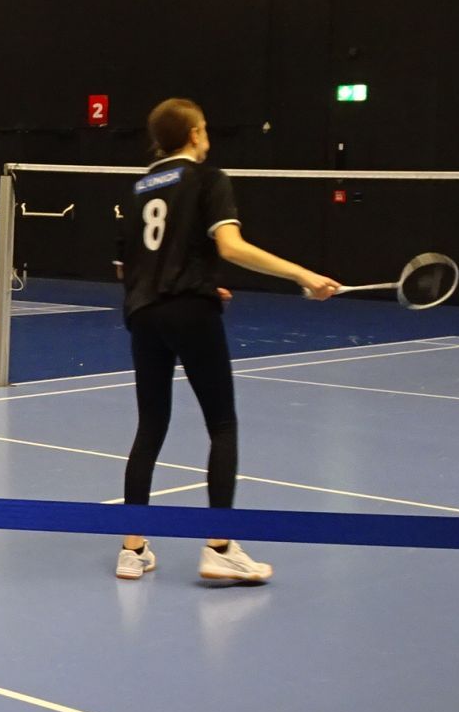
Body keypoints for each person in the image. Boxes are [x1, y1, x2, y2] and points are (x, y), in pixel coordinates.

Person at [114, 98, 338, 584]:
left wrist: (189, 282)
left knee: (150, 427)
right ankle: (219, 547)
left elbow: (129, 266)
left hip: (144, 313)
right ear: (195, 134)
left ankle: (132, 550)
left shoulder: (138, 189)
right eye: (205, 128)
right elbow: (231, 247)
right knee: (222, 425)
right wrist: (303, 275)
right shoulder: (208, 178)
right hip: (190, 313)